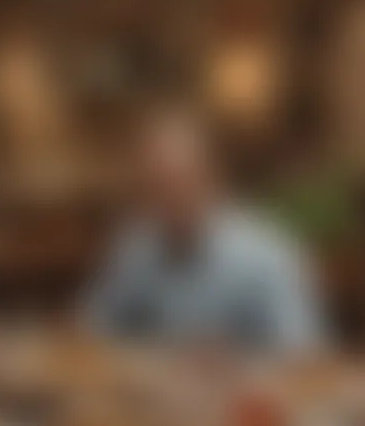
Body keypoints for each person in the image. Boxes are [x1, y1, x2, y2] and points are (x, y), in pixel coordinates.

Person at [84, 109, 323, 353]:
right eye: (154, 187)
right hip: (149, 387)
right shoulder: (136, 246)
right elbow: (93, 327)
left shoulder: (269, 252)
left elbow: (302, 354)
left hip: (245, 388)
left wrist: (235, 356)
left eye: (179, 181)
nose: (168, 198)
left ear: (212, 179)